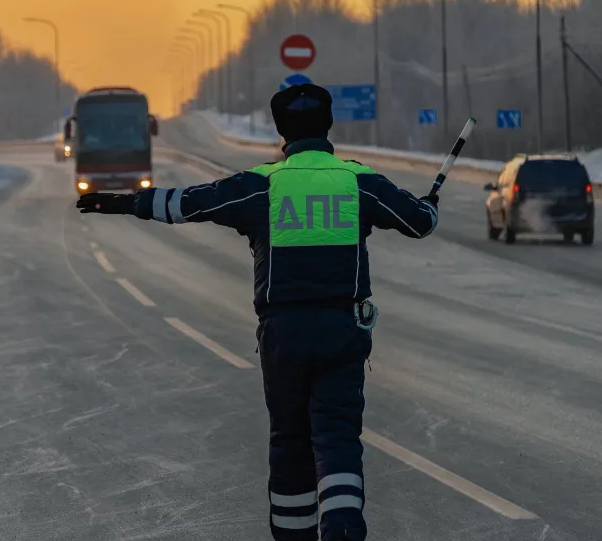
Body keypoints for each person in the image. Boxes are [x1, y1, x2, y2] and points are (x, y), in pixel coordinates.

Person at [75, 83, 439, 540]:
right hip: (342, 330)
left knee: (290, 441)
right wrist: (430, 205)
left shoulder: (261, 184)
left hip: (283, 334)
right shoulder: (358, 180)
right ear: (328, 126)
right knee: (338, 439)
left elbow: (188, 203)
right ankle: (343, 529)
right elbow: (419, 222)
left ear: (280, 131)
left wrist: (120, 202)